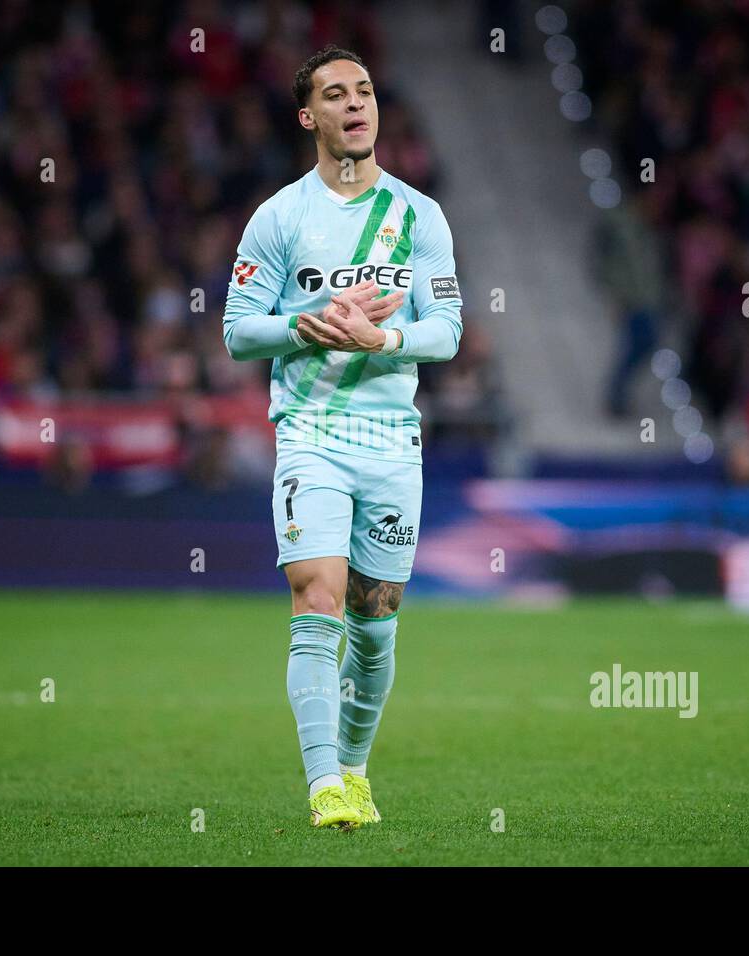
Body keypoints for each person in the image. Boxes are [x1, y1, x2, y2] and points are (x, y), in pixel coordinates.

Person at [222, 45, 464, 829]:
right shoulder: (279, 217)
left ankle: (356, 769)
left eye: (363, 90)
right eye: (335, 94)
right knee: (315, 596)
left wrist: (381, 344)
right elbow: (237, 334)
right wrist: (308, 324)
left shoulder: (419, 216)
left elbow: (449, 331)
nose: (355, 104)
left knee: (375, 619)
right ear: (310, 117)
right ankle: (325, 784)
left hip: (392, 438)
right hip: (312, 434)